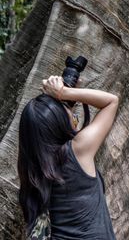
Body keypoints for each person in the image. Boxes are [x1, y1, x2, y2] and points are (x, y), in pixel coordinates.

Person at [17, 75, 119, 239]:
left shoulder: (32, 172)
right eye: (70, 115)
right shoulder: (76, 152)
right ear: (58, 125)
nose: (73, 116)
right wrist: (65, 92)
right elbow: (111, 102)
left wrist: (65, 97)